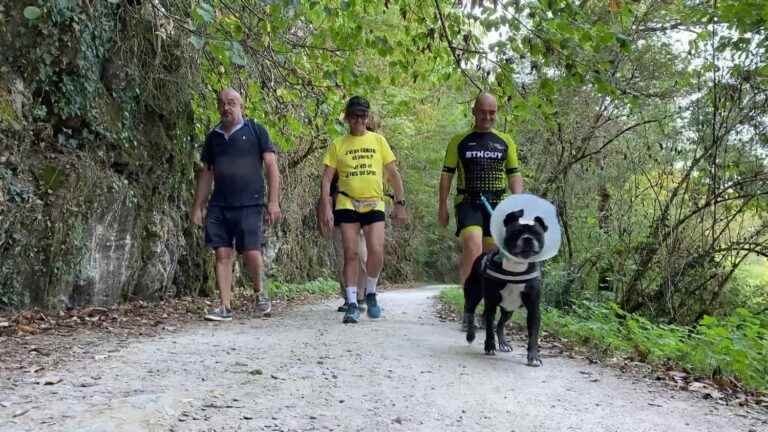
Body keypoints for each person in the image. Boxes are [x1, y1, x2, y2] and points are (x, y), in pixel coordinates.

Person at [190, 88, 282, 321]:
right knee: (222, 253)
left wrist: (273, 202)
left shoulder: (256, 130)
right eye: (221, 103)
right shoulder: (213, 137)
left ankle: (260, 292)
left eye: (231, 103)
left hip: (250, 202)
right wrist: (198, 205)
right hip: (220, 204)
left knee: (251, 251)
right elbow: (206, 173)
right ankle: (224, 306)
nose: (226, 107)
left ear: (241, 106)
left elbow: (271, 166)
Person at [319, 96, 407, 324]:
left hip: (374, 202)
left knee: (376, 250)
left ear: (368, 117)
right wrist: (326, 206)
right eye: (355, 116)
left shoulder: (378, 141)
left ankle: (370, 292)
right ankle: (351, 303)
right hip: (347, 202)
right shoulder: (338, 144)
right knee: (351, 253)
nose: (359, 120)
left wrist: (400, 203)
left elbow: (394, 174)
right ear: (347, 118)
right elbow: (327, 179)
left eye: (363, 116)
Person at [438, 93, 523, 287]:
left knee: (492, 255)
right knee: (472, 244)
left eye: (491, 112)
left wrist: (518, 200)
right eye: (482, 112)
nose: (487, 117)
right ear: (474, 112)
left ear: (496, 113)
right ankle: (469, 301)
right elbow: (446, 175)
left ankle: (488, 303)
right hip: (468, 202)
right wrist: (442, 207)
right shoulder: (459, 141)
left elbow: (514, 174)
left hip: (497, 204)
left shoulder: (505, 141)